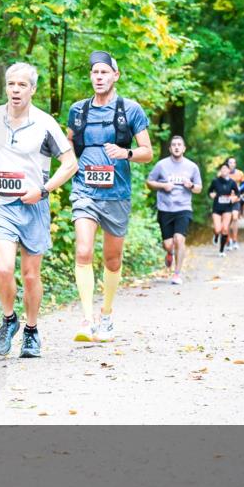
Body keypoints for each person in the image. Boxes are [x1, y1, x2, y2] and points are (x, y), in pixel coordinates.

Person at [0, 62, 78, 357]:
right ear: (6, 86)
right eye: (11, 84)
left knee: (29, 275)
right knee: (4, 268)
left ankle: (31, 330)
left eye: (22, 85)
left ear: (33, 89)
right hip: (1, 205)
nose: (16, 90)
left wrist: (43, 189)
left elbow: (70, 164)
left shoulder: (45, 124)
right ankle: (8, 320)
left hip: (34, 207)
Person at [66, 51, 153, 342]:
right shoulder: (78, 111)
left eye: (104, 72)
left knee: (112, 260)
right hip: (84, 190)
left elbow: (147, 152)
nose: (99, 77)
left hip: (117, 193)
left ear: (116, 75)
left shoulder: (130, 110)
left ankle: (106, 314)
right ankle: (87, 319)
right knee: (83, 251)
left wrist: (126, 152)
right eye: (95, 73)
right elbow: (67, 148)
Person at [146, 135, 202, 285]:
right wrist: (163, 186)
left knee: (179, 239)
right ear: (170, 149)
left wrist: (190, 185)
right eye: (174, 145)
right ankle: (169, 252)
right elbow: (149, 182)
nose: (177, 147)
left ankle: (177, 274)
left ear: (184, 148)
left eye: (179, 145)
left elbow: (199, 188)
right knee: (168, 244)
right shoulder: (161, 165)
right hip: (165, 208)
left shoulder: (192, 167)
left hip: (183, 208)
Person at [207, 163, 239, 257]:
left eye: (226, 169)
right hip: (217, 207)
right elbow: (209, 191)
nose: (224, 171)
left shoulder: (232, 182)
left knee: (225, 229)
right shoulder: (215, 181)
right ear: (220, 171)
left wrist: (234, 198)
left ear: (229, 171)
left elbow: (238, 193)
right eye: (222, 169)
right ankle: (216, 235)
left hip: (227, 208)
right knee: (218, 229)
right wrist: (211, 194)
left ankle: (221, 251)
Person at [225, 156, 244, 249]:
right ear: (227, 164)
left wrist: (241, 192)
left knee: (235, 217)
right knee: (227, 220)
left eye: (233, 162)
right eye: (230, 162)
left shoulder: (240, 173)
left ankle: (235, 240)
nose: (232, 164)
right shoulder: (223, 173)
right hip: (226, 200)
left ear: (235, 164)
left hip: (236, 199)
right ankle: (228, 241)